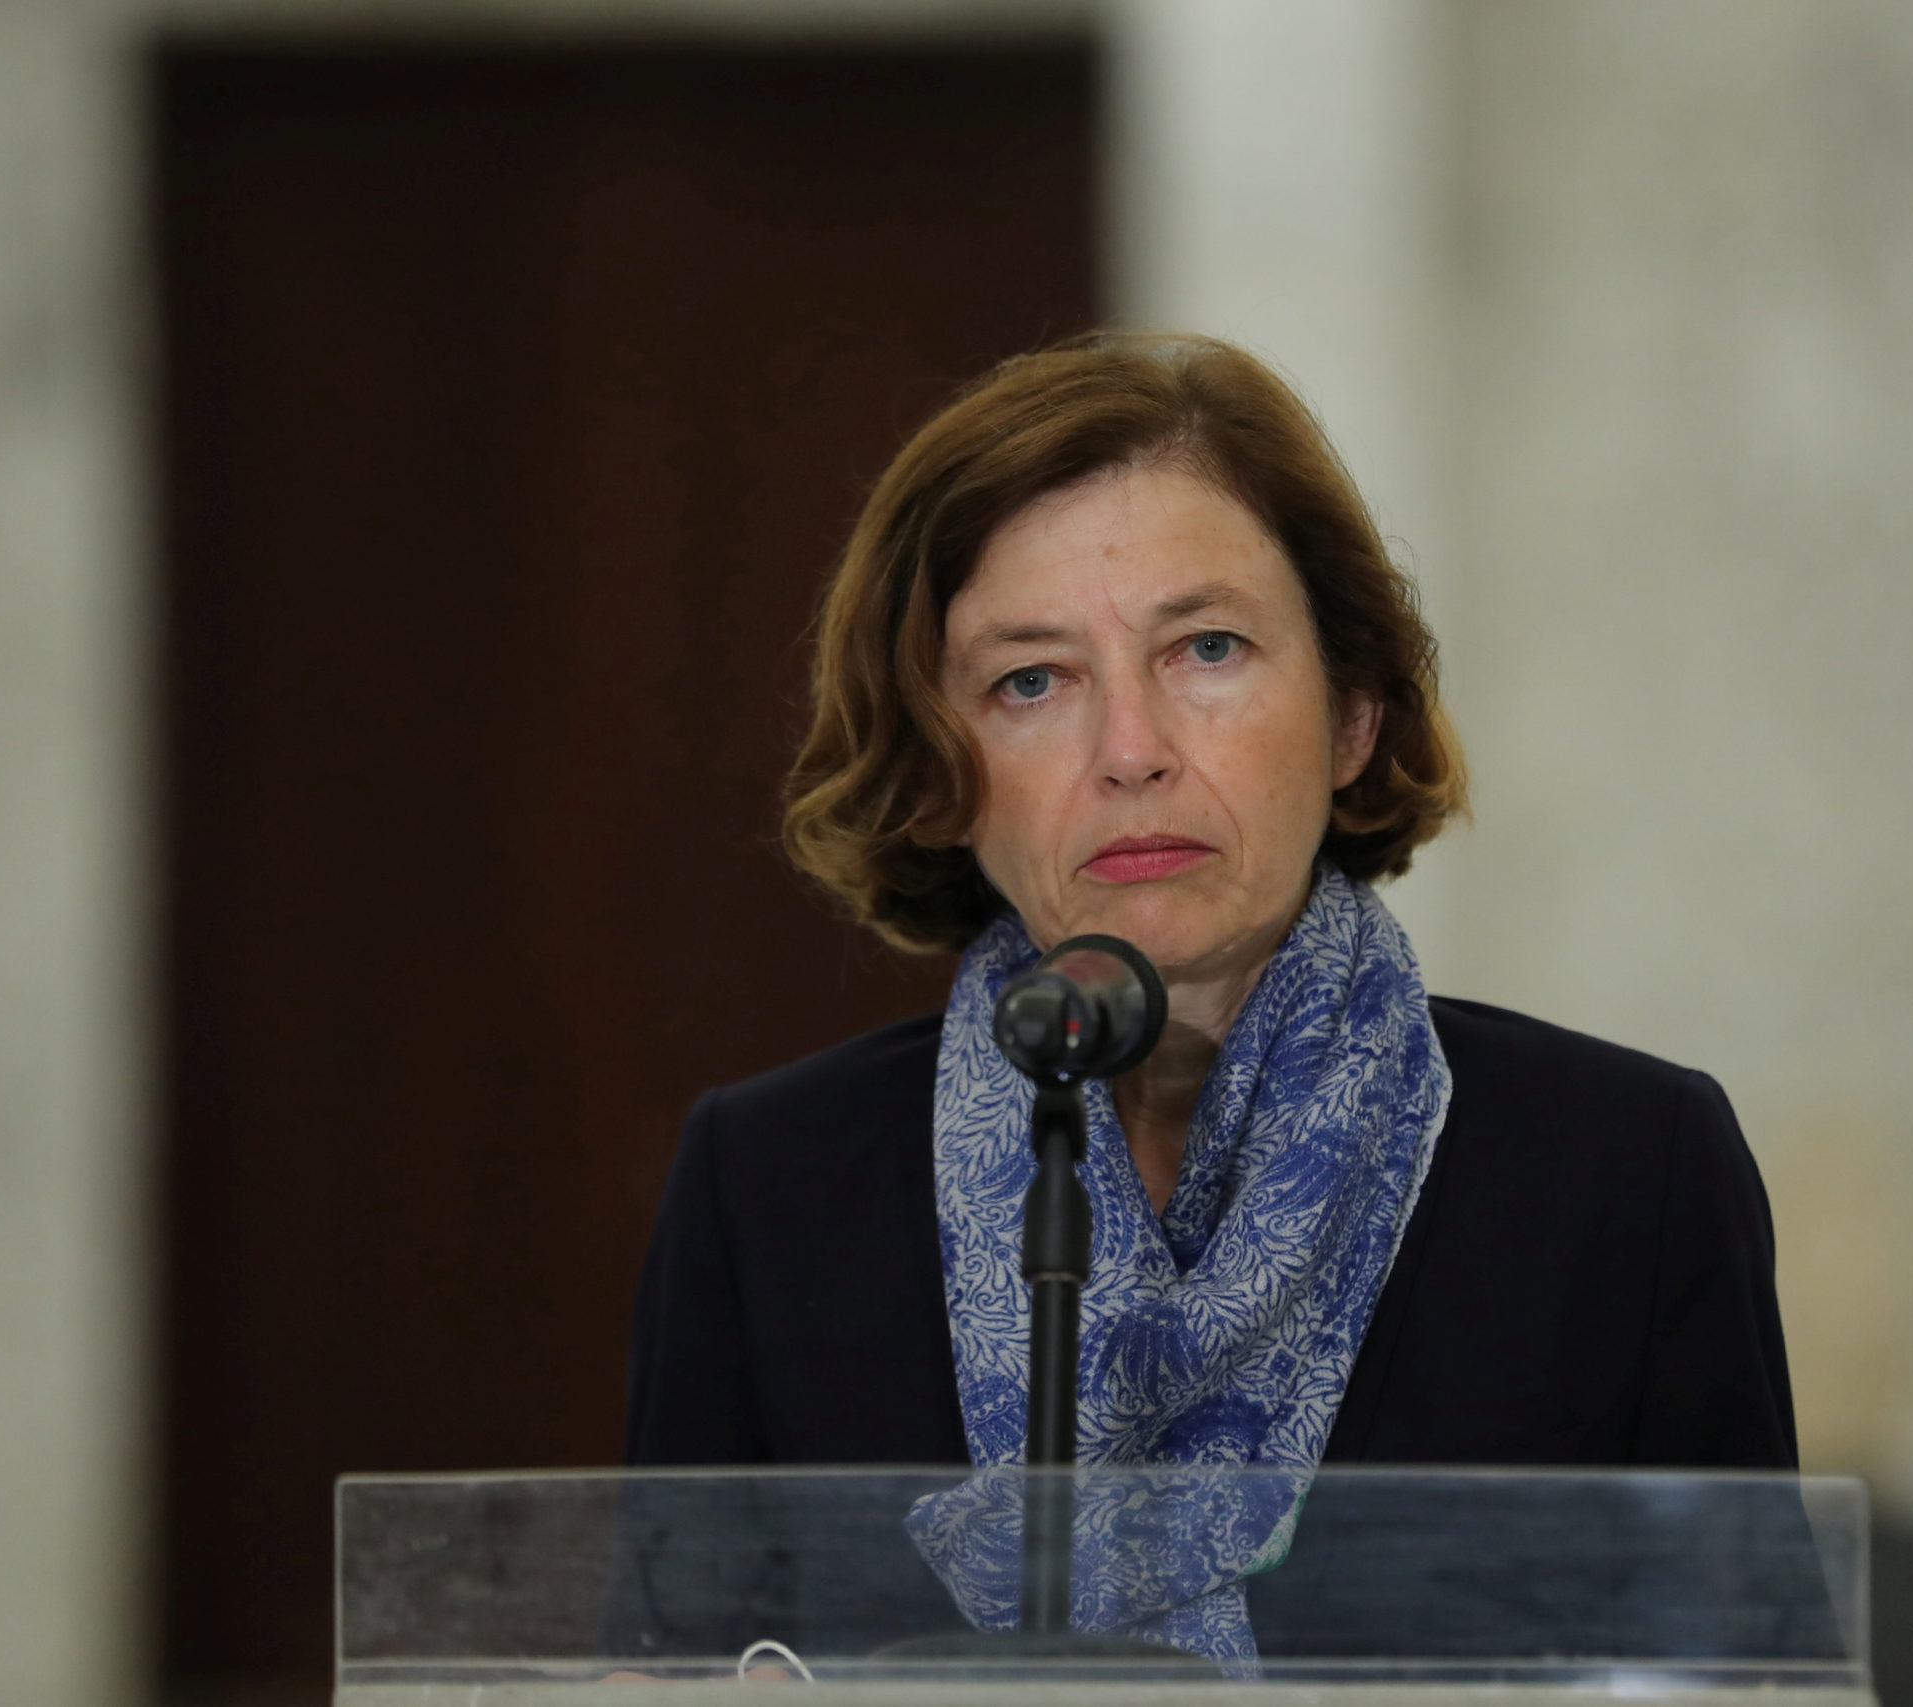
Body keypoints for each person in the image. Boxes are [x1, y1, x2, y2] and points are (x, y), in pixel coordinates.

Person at [623, 333, 1797, 1477]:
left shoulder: (1628, 1173)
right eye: (1030, 680)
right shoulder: (767, 1189)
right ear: (934, 774)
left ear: (1353, 715)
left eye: (1207, 648)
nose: (1130, 751)